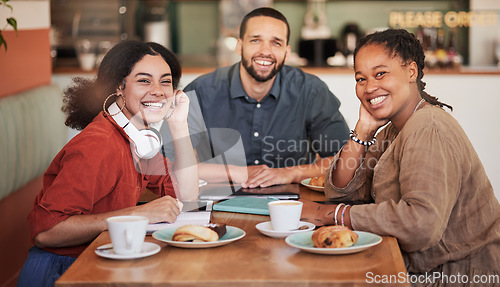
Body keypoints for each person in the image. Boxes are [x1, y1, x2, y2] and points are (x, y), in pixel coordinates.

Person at [301, 28, 500, 285]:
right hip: (411, 266)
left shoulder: (428, 126)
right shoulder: (396, 127)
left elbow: (420, 225)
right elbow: (341, 192)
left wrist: (331, 214)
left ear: (411, 71)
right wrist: (362, 130)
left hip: (454, 276)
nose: (370, 87)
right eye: (361, 79)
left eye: (380, 73)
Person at [17, 40, 198, 286]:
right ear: (119, 87)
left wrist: (179, 124)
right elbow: (46, 233)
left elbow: (186, 196)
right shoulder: (99, 144)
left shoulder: (139, 139)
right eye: (144, 80)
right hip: (65, 272)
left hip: (104, 263)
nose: (158, 90)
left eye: (165, 81)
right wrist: (138, 214)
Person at [181, 7, 349, 188]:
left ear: (287, 51)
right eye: (255, 40)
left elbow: (344, 162)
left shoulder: (311, 91)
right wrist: (239, 173)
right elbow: (170, 165)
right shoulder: (201, 91)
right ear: (239, 45)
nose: (265, 51)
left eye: (276, 43)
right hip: (215, 202)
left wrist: (288, 173)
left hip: (293, 205)